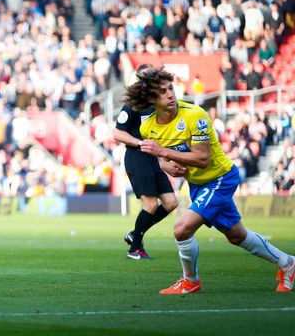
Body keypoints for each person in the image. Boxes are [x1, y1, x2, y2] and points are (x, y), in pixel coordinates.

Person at [124, 67, 295, 294]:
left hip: (220, 179)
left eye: (171, 88)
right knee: (236, 235)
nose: (170, 94)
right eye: (163, 91)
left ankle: (190, 280)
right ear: (151, 99)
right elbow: (160, 157)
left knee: (181, 229)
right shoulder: (148, 126)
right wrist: (166, 163)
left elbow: (202, 158)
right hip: (198, 185)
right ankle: (288, 263)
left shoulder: (195, 115)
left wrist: (164, 151)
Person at [116, 65, 178, 260]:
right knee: (150, 204)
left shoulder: (158, 105)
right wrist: (140, 143)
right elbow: (117, 132)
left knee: (170, 202)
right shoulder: (133, 106)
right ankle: (135, 249)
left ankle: (135, 233)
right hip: (137, 156)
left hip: (154, 158)